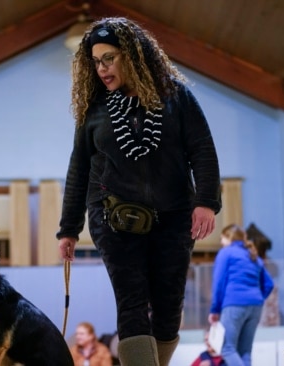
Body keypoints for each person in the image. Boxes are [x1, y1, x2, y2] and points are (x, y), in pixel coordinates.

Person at [57, 17, 222, 366]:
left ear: (132, 56)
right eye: (96, 61)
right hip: (112, 217)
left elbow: (202, 149)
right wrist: (69, 228)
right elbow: (79, 168)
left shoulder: (177, 97)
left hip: (175, 216)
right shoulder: (94, 110)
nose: (101, 69)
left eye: (109, 58)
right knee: (131, 302)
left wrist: (206, 201)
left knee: (167, 306)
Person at [208, 224, 275, 366]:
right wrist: (257, 298)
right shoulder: (254, 256)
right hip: (256, 306)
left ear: (228, 237)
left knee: (227, 349)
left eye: (222, 238)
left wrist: (214, 309)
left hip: (234, 303)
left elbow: (219, 282)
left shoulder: (226, 253)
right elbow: (269, 284)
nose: (221, 242)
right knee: (245, 352)